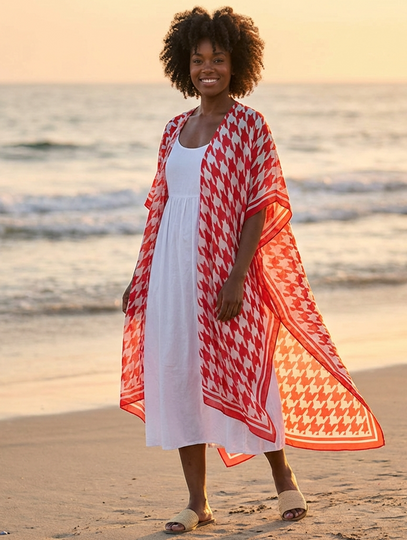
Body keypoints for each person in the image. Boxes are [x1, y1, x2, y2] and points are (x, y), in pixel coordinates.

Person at [121, 6, 384, 534]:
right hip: (172, 270)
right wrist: (140, 273)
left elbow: (259, 206)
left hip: (223, 272)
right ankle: (197, 502)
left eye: (217, 58)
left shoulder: (249, 125)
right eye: (198, 60)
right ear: (184, 66)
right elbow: (160, 205)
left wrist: (238, 276)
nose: (207, 68)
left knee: (247, 374)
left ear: (236, 63)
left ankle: (284, 477)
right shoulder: (174, 128)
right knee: (178, 377)